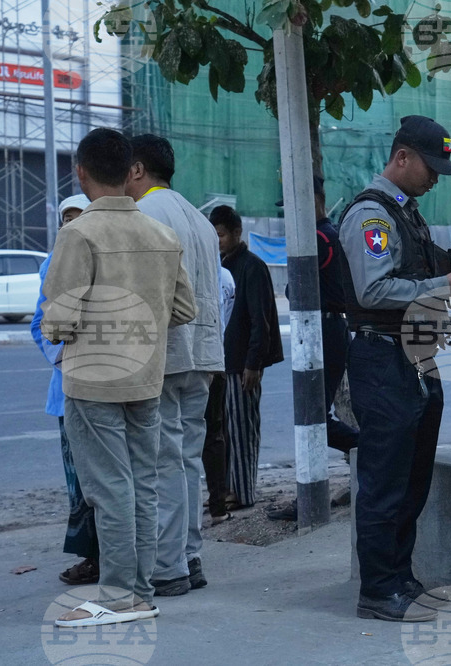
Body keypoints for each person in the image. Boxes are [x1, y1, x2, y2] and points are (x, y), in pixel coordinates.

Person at [41, 127, 196, 627]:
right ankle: (139, 590)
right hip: (146, 377)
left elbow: (58, 320)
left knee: (109, 489)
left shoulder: (78, 232)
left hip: (92, 382)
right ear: (128, 169)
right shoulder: (161, 233)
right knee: (142, 484)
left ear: (81, 173)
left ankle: (116, 597)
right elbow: (183, 309)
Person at [341, 115, 451, 622]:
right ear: (401, 157)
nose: (434, 179)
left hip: (417, 355)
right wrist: (443, 286)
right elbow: (373, 290)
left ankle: (399, 576)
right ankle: (378, 589)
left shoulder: (408, 214)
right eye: (430, 167)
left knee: (413, 476)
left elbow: (419, 270)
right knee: (385, 478)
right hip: (384, 355)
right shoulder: (372, 216)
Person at [124, 134, 225, 597]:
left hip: (165, 353)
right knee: (186, 459)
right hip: (202, 353)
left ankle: (168, 567)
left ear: (138, 169)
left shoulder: (143, 214)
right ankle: (189, 555)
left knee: (163, 461)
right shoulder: (199, 219)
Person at [268, 175, 359, 522]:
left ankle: (357, 450)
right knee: (314, 413)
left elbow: (296, 289)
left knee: (314, 415)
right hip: (326, 328)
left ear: (315, 201)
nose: (289, 216)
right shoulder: (328, 234)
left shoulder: (319, 238)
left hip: (325, 328)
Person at [30, 193, 100, 586]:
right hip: (67, 391)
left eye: (78, 217)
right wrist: (62, 358)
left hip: (107, 384)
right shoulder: (50, 265)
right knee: (79, 481)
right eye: (65, 219)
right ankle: (93, 555)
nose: (70, 226)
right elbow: (40, 323)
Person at [210, 205, 285, 510]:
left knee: (242, 430)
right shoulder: (220, 266)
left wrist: (254, 364)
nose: (218, 241)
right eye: (214, 236)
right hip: (221, 363)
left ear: (237, 233)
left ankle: (243, 493)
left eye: (222, 235)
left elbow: (261, 321)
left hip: (243, 364)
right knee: (223, 430)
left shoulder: (251, 267)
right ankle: (226, 488)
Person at [203, 266, 236, 526]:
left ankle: (216, 504)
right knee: (213, 434)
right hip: (214, 357)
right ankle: (216, 505)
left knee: (208, 435)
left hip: (203, 362)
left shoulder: (222, 276)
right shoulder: (222, 275)